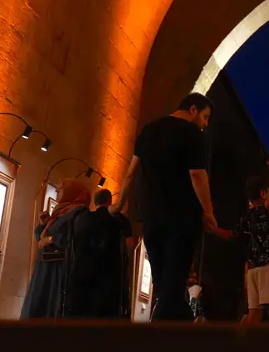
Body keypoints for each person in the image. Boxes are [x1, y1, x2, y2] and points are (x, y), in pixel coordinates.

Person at [111, 93, 217, 321]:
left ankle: (175, 327)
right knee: (174, 284)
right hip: (182, 218)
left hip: (151, 218)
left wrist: (119, 204)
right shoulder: (191, 133)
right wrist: (208, 211)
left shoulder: (148, 130)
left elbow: (130, 172)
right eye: (205, 117)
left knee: (163, 283)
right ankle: (167, 332)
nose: (205, 124)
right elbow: (197, 175)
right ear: (193, 109)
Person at [215, 157, 269, 325]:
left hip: (253, 268)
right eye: (268, 191)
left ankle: (243, 340)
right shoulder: (265, 211)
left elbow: (231, 235)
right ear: (263, 194)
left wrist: (213, 228)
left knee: (254, 315)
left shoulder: (246, 218)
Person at [21, 178, 91, 318]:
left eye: (61, 188)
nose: (57, 191)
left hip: (58, 270)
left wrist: (51, 239)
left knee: (50, 305)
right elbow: (42, 238)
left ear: (71, 191)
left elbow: (77, 238)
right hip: (46, 267)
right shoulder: (60, 212)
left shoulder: (79, 213)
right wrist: (44, 224)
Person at [66, 189, 125, 318]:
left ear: (94, 202)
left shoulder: (81, 219)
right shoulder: (117, 220)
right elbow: (128, 245)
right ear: (109, 201)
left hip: (80, 278)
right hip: (105, 280)